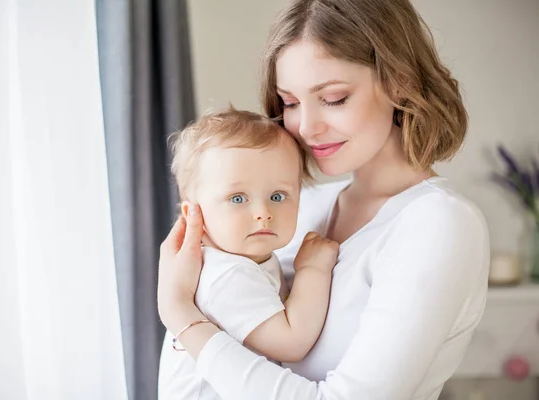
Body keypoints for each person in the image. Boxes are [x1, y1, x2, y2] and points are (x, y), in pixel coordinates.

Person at [157, 0, 491, 398]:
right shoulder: (303, 205)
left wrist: (181, 315)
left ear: (400, 81)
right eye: (291, 103)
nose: (307, 127)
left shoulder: (438, 224)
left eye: (333, 98)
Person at [158, 108, 340, 400]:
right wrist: (313, 270)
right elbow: (292, 343)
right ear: (194, 213)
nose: (263, 214)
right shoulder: (227, 274)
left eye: (278, 196)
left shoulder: (249, 258)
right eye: (238, 198)